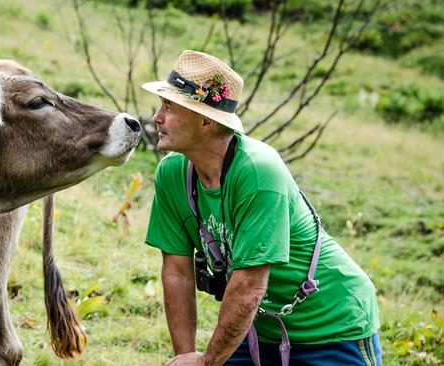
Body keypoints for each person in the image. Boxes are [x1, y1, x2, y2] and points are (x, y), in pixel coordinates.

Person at [142, 50, 381, 366]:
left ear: (205, 121)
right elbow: (177, 272)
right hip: (257, 331)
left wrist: (206, 362)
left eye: (170, 108)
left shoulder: (258, 171)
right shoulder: (172, 174)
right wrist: (187, 357)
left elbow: (250, 286)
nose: (157, 118)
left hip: (333, 326)